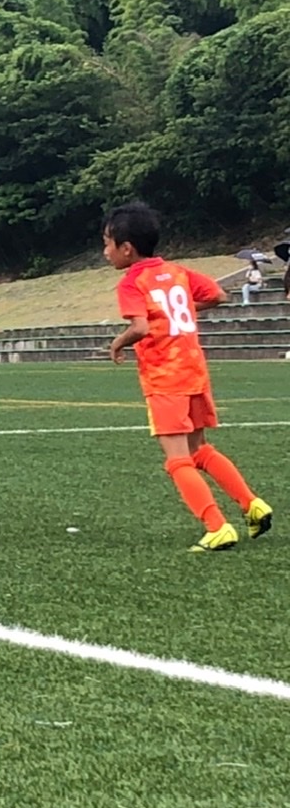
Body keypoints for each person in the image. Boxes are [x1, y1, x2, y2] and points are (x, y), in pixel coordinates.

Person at [104, 202, 272, 551]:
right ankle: (252, 504)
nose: (105, 252)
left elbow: (140, 327)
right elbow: (218, 295)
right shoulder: (177, 271)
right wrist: (178, 311)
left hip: (165, 377)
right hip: (194, 371)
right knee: (199, 449)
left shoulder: (132, 282)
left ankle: (216, 526)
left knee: (177, 458)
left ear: (126, 248)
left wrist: (118, 343)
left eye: (107, 244)